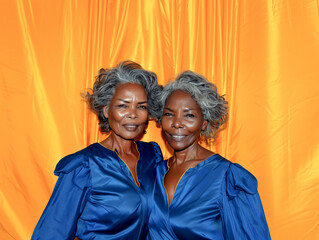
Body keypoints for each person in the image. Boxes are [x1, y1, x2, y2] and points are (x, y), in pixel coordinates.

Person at [32, 61, 163, 239]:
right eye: (123, 105)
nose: (133, 114)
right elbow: (53, 232)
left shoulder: (152, 156)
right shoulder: (83, 167)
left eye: (141, 106)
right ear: (107, 110)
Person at [148, 71, 271, 239]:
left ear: (204, 123)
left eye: (189, 115)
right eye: (169, 114)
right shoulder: (155, 172)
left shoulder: (227, 178)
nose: (177, 123)